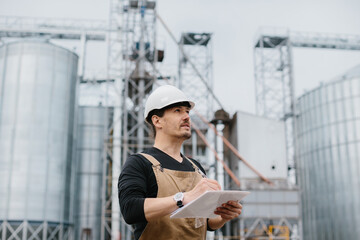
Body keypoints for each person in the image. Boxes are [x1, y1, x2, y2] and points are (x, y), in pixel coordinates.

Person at [118, 85, 242, 239]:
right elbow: (130, 210)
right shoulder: (139, 163)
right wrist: (182, 198)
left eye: (187, 111)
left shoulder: (196, 167)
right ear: (157, 121)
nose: (186, 117)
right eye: (178, 111)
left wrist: (223, 216)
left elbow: (207, 223)